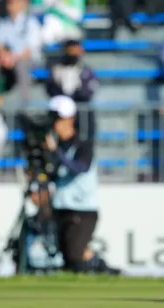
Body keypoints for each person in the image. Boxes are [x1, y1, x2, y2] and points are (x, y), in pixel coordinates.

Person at [44, 96, 119, 274]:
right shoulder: (59, 146)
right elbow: (55, 175)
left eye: (59, 119)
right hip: (62, 207)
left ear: (70, 119)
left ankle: (102, 267)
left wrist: (56, 152)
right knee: (67, 260)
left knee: (75, 255)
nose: (55, 124)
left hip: (82, 210)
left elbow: (80, 168)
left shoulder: (83, 145)